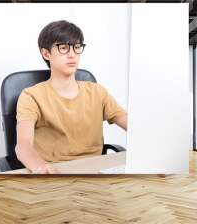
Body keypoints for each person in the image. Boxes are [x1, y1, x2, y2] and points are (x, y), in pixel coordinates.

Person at [15, 20, 128, 174]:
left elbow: (131, 125)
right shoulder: (31, 96)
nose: (72, 54)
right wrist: (39, 167)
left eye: (76, 47)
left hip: (93, 172)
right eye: (63, 48)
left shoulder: (97, 92)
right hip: (53, 172)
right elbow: (23, 145)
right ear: (46, 53)